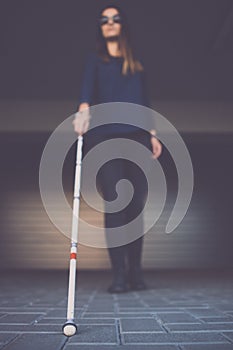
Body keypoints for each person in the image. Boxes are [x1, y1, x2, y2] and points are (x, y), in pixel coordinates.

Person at [73, 5, 162, 293]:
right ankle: (119, 276)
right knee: (115, 205)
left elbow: (144, 101)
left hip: (136, 137)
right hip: (106, 138)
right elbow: (86, 93)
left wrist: (152, 134)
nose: (110, 23)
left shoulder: (136, 63)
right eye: (104, 20)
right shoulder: (94, 61)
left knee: (135, 207)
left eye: (115, 19)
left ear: (123, 25)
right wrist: (82, 113)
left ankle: (136, 273)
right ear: (100, 27)